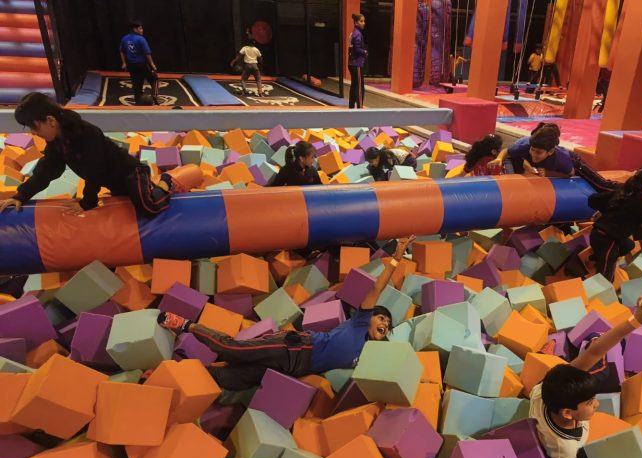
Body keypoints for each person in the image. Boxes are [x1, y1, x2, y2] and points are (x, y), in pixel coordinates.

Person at [157, 236, 415, 390]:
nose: (384, 323)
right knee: (233, 350)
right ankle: (186, 324)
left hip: (291, 369)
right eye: (381, 317)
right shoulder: (359, 324)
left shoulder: (366, 355)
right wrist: (396, 259)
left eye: (388, 324)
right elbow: (377, 288)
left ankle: (170, 374)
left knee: (232, 379)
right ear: (369, 317)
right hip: (293, 349)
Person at [531, 296, 642, 458]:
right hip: (578, 454)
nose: (597, 404)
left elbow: (595, 351)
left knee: (597, 348)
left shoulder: (540, 390)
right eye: (590, 403)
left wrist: (635, 321)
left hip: (565, 403)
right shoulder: (565, 449)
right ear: (568, 413)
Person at [0, 92, 171, 217]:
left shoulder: (86, 133)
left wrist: (87, 203)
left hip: (132, 172)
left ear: (50, 121)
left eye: (34, 127)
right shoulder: (56, 142)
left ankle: (165, 182)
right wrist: (21, 196)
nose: (32, 133)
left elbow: (94, 170)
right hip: (114, 183)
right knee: (126, 202)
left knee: (147, 208)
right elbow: (47, 171)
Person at [487, 122, 618, 194]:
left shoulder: (561, 158)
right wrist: (499, 159)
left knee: (601, 185)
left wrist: (549, 173)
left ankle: (626, 189)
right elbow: (507, 151)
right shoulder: (525, 146)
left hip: (574, 163)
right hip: (540, 162)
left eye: (539, 153)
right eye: (532, 150)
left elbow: (570, 173)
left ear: (549, 152)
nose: (534, 154)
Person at [119, 19, 159, 105]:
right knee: (154, 79)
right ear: (135, 29)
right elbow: (147, 54)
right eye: (140, 28)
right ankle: (154, 98)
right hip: (141, 65)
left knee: (136, 84)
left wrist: (124, 63)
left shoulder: (124, 38)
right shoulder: (141, 39)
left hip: (131, 65)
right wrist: (153, 65)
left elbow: (121, 51)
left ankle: (138, 102)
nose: (142, 30)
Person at [348, 13, 367, 109]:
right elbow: (357, 49)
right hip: (357, 64)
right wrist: (365, 52)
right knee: (360, 88)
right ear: (356, 23)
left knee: (354, 85)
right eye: (361, 21)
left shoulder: (353, 33)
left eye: (364, 21)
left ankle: (351, 107)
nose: (363, 23)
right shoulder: (358, 34)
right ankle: (359, 108)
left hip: (352, 63)